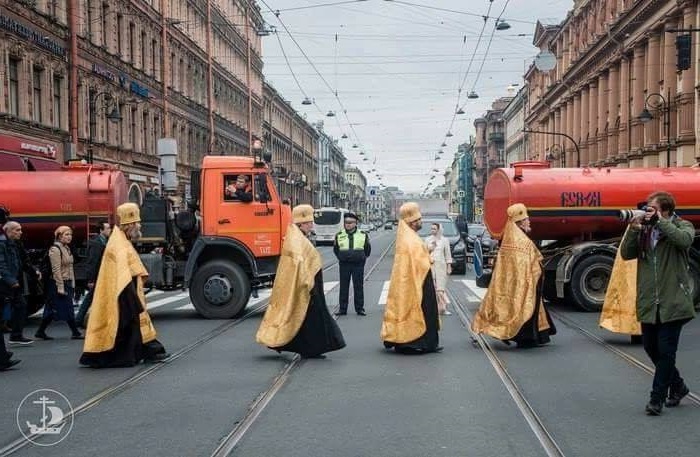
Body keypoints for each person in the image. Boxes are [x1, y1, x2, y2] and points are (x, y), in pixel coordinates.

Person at [620, 191, 695, 415]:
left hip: (674, 301)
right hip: (650, 301)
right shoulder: (645, 231)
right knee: (651, 347)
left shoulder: (683, 226)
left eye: (652, 208)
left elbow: (684, 241)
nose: (647, 212)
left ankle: (657, 399)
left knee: (665, 351)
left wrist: (661, 223)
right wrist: (634, 229)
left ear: (665, 210)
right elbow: (626, 254)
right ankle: (679, 386)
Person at [80, 203, 169, 368]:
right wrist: (131, 296)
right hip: (123, 292)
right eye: (138, 223)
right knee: (126, 326)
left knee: (132, 324)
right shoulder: (118, 243)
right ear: (130, 224)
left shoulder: (122, 239)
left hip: (127, 290)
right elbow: (121, 273)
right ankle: (132, 354)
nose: (140, 226)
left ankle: (148, 351)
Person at [256, 204, 345, 359]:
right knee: (308, 317)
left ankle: (310, 348)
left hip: (309, 284)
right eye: (309, 222)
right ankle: (310, 348)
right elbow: (299, 264)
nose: (311, 225)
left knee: (306, 318)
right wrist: (307, 285)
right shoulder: (296, 239)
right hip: (307, 286)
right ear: (301, 223)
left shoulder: (298, 236)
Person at [471, 203, 555, 348]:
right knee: (524, 308)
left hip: (512, 284)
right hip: (524, 284)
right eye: (526, 219)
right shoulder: (522, 241)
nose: (529, 222)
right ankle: (525, 338)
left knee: (524, 308)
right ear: (520, 222)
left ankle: (534, 336)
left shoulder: (510, 237)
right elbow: (530, 263)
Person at [381, 202, 441, 354]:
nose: (421, 222)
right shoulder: (410, 239)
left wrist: (426, 252)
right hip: (418, 281)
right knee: (424, 309)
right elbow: (419, 260)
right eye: (419, 219)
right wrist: (428, 257)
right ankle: (417, 342)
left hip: (413, 280)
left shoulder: (408, 236)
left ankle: (418, 341)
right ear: (412, 222)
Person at [35, 226, 83, 340]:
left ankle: (40, 331)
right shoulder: (55, 249)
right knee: (67, 307)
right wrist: (60, 287)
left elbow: (70, 267)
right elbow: (56, 270)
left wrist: (73, 284)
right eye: (66, 234)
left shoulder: (67, 248)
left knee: (52, 309)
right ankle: (75, 332)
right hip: (57, 283)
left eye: (70, 234)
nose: (69, 237)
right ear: (59, 236)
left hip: (67, 282)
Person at [1, 221, 41, 345]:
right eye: (17, 230)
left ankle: (16, 335)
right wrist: (11, 281)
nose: (21, 232)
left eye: (20, 229)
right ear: (7, 230)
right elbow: (1, 265)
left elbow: (23, 261)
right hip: (5, 282)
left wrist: (34, 272)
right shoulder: (2, 244)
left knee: (21, 305)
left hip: (13, 282)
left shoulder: (16, 244)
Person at [333, 212, 371, 316]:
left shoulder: (363, 235)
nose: (348, 224)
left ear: (355, 223)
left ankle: (359, 308)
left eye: (350, 222)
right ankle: (342, 309)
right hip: (344, 264)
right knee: (343, 286)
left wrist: (362, 258)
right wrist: (341, 257)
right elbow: (336, 249)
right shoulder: (339, 235)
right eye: (346, 222)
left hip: (358, 264)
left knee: (358, 286)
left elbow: (367, 249)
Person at [75, 221, 112, 327]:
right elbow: (92, 262)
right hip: (97, 276)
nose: (110, 230)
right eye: (108, 228)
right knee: (90, 298)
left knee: (92, 298)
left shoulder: (104, 241)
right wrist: (91, 280)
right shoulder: (96, 243)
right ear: (101, 230)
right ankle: (79, 320)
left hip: (102, 276)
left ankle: (81, 320)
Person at [426, 222, 452, 315]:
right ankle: (435, 308)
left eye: (434, 229)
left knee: (440, 289)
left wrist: (449, 266)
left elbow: (447, 254)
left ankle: (443, 308)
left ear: (438, 230)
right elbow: (424, 253)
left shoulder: (445, 240)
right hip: (430, 265)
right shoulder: (427, 240)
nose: (432, 230)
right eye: (431, 229)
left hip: (441, 266)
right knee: (433, 288)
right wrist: (431, 248)